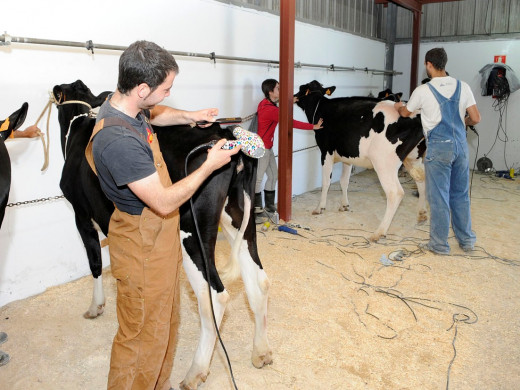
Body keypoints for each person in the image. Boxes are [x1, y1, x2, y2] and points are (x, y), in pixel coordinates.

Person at [86, 40, 240, 390]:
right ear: (142, 88)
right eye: (165, 88)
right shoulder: (118, 140)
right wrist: (211, 166)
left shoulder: (127, 105)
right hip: (141, 241)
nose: (169, 93)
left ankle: (158, 384)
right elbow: (166, 203)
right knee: (140, 335)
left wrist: (190, 115)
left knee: (164, 323)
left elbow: (155, 113)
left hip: (158, 237)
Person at [394, 47, 481, 255]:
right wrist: (464, 121)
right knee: (460, 195)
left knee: (439, 196)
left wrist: (398, 106)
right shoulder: (463, 86)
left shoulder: (423, 90)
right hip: (460, 146)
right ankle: (467, 241)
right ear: (445, 63)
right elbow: (476, 118)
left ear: (428, 65)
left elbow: (406, 113)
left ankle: (440, 245)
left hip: (439, 148)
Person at [254, 79, 323, 222]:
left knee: (273, 176)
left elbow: (278, 105)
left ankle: (269, 208)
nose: (280, 91)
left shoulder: (265, 103)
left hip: (267, 148)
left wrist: (291, 100)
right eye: (278, 89)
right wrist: (313, 126)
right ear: (271, 92)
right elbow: (290, 122)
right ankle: (256, 211)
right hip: (262, 149)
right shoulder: (271, 109)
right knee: (258, 179)